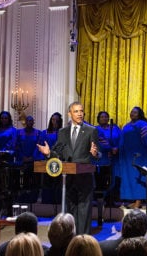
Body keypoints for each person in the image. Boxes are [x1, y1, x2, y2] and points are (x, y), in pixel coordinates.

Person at [37, 101, 100, 235]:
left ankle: (82, 242)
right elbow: (59, 153)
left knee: (83, 213)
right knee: (69, 212)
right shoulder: (62, 132)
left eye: (81, 111)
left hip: (84, 178)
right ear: (69, 114)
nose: (80, 114)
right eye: (76, 111)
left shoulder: (91, 130)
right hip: (68, 179)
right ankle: (69, 241)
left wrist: (95, 153)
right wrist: (48, 153)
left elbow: (98, 154)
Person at [118, 106, 147, 209]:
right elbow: (122, 140)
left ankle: (139, 201)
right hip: (127, 157)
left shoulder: (143, 125)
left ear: (139, 114)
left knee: (139, 178)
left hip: (139, 156)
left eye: (135, 112)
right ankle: (133, 200)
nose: (132, 114)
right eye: (131, 112)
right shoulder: (126, 126)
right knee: (129, 178)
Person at [94, 111, 121, 205]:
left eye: (106, 117)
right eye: (102, 117)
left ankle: (111, 199)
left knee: (114, 179)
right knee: (104, 180)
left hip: (115, 157)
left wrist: (117, 148)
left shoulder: (115, 128)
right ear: (98, 119)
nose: (104, 118)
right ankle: (101, 199)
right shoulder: (95, 129)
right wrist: (109, 149)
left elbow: (121, 139)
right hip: (102, 158)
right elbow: (97, 143)